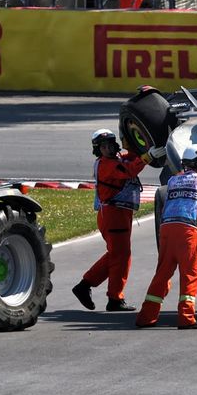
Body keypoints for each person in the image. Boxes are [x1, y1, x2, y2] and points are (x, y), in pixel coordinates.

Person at [135, 145, 197, 329]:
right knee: (190, 274)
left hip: (166, 229)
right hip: (187, 231)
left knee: (162, 273)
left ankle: (146, 316)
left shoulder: (174, 180)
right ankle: (186, 318)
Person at [71, 128, 146, 313]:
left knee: (116, 255)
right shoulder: (107, 165)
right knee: (121, 256)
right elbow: (129, 170)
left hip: (117, 214)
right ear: (98, 150)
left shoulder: (115, 160)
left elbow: (131, 157)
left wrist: (142, 148)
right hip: (114, 215)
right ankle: (114, 298)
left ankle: (85, 285)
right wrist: (148, 157)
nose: (109, 149)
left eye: (111, 145)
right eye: (104, 146)